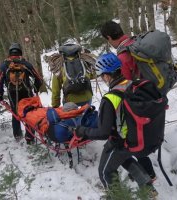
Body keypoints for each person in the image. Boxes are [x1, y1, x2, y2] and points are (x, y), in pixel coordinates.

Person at [74, 53, 157, 198]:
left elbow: (103, 133)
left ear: (106, 76)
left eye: (101, 76)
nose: (102, 79)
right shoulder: (133, 85)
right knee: (125, 159)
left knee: (105, 172)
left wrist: (82, 131)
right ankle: (148, 189)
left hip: (121, 142)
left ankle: (118, 197)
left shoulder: (110, 98)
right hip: (138, 137)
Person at [100, 20, 157, 182]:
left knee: (132, 138)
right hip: (149, 95)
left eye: (107, 40)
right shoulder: (135, 42)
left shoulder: (123, 55)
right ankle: (149, 174)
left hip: (137, 101)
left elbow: (123, 84)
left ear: (109, 37)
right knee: (138, 137)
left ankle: (147, 176)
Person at [0, 42, 43, 143]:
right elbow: (38, 78)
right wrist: (36, 88)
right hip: (26, 93)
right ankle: (30, 138)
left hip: (12, 95)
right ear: (20, 51)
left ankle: (17, 136)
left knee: (15, 114)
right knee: (29, 113)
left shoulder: (4, 65)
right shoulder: (25, 64)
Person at [51, 43, 93, 108]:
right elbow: (92, 75)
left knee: (71, 117)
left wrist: (55, 106)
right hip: (87, 98)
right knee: (87, 116)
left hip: (70, 101)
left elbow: (56, 89)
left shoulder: (59, 65)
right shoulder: (84, 61)